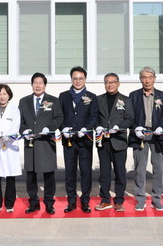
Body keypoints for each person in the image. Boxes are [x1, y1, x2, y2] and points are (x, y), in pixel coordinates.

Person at [19, 73, 63, 215]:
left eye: (40, 83)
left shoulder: (53, 101)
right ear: (32, 84)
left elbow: (59, 118)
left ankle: (49, 203)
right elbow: (20, 121)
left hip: (46, 143)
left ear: (45, 85)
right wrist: (24, 130)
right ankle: (33, 203)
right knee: (31, 176)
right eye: (35, 83)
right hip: (30, 144)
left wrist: (50, 128)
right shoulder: (24, 101)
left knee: (49, 175)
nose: (38, 86)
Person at [128, 66, 163, 211]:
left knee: (158, 169)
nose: (147, 80)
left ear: (154, 79)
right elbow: (130, 116)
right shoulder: (133, 96)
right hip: (140, 135)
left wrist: (161, 127)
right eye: (144, 77)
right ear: (140, 79)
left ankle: (156, 198)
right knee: (140, 169)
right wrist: (136, 128)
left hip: (157, 135)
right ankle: (140, 198)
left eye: (150, 77)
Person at [59, 66, 98, 213]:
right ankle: (71, 201)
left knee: (86, 171)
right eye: (75, 78)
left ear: (85, 79)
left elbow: (93, 116)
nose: (78, 81)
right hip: (69, 140)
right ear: (71, 79)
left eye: (81, 78)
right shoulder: (63, 96)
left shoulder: (92, 96)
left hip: (85, 140)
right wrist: (63, 128)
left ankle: (85, 201)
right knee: (70, 171)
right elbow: (59, 116)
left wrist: (86, 129)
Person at [94, 73, 134, 212]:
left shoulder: (126, 100)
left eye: (112, 82)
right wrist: (97, 126)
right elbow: (94, 117)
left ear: (118, 83)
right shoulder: (98, 99)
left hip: (119, 141)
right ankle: (105, 200)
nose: (109, 84)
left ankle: (119, 201)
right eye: (107, 82)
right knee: (104, 173)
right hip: (103, 142)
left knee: (120, 172)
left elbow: (130, 119)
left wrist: (119, 127)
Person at [0, 84, 22, 213]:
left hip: (10, 145)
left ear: (9, 95)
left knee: (10, 175)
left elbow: (16, 126)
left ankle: (9, 204)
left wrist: (6, 135)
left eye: (4, 94)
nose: (2, 96)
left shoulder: (14, 110)